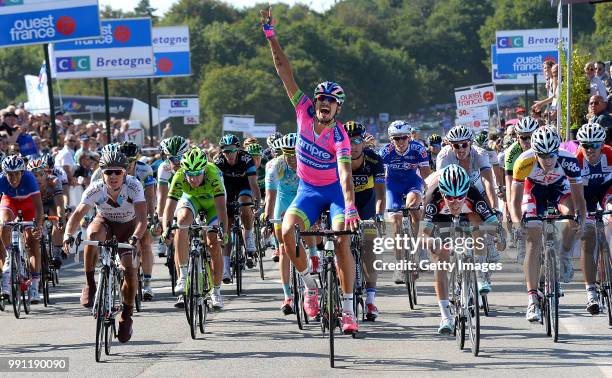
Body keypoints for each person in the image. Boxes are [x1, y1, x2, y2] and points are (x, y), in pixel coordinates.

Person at [261, 5, 361, 334]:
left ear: (338, 107)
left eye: (331, 100)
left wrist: (349, 206)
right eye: (321, 97)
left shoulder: (340, 135)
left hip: (333, 194)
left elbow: (346, 175)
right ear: (315, 102)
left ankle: (348, 310)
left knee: (342, 240)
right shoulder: (302, 111)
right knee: (286, 233)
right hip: (306, 192)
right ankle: (310, 287)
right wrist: (271, 35)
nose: (324, 102)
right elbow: (283, 70)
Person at [63, 150, 146, 343]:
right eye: (109, 172)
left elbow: (142, 220)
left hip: (129, 227)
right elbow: (77, 215)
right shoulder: (95, 188)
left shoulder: (134, 186)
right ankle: (91, 285)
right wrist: (68, 235)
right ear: (102, 174)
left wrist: (135, 238)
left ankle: (126, 315)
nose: (114, 176)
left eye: (118, 172)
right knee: (92, 234)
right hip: (105, 223)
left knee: (130, 270)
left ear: (125, 172)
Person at [510, 127, 586, 322]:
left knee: (570, 216)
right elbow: (514, 201)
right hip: (534, 191)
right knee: (533, 240)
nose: (549, 160)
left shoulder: (568, 159)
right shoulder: (524, 161)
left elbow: (579, 198)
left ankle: (564, 255)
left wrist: (580, 221)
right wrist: (518, 224)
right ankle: (532, 299)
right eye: (543, 156)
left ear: (557, 151)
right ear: (535, 153)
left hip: (559, 189)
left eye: (552, 155)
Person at [422, 164, 498, 334]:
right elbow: (424, 234)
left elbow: (492, 223)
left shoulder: (472, 192)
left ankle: (479, 274)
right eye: (449, 197)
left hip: (468, 214)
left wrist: (492, 237)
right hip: (441, 218)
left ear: (466, 191)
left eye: (459, 197)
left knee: (478, 224)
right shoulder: (433, 199)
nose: (455, 202)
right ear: (442, 193)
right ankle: (445, 316)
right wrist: (432, 243)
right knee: (440, 260)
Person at [162, 147, 228, 309]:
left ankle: (216, 291)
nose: (193, 179)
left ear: (204, 170)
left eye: (197, 174)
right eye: (189, 175)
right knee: (181, 222)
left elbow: (221, 208)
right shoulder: (179, 176)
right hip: (192, 200)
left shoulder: (213, 175)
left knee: (213, 242)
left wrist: (224, 232)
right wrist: (166, 229)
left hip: (213, 203)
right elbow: (169, 208)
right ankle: (183, 276)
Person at [380, 120, 430, 285]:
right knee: (395, 220)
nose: (400, 142)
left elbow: (425, 175)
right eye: (396, 138)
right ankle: (399, 264)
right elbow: (379, 179)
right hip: (393, 186)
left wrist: (427, 194)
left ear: (409, 137)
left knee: (413, 207)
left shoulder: (419, 149)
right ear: (391, 140)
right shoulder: (385, 152)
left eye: (403, 138)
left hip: (412, 183)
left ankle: (420, 247)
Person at [344, 121, 386, 320]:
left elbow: (380, 192)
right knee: (339, 245)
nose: (353, 146)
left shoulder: (374, 160)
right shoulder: (337, 159)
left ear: (363, 142)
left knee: (370, 247)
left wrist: (378, 215)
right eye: (348, 141)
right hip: (345, 206)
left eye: (357, 141)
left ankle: (370, 301)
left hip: (367, 205)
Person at [574, 123, 612, 315]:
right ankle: (591, 293)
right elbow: (573, 192)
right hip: (585, 197)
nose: (590, 149)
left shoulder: (611, 154)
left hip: (608, 192)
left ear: (602, 144)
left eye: (595, 145)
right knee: (588, 240)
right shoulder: (576, 160)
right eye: (585, 145)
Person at [262, 133, 301, 315]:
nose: (292, 159)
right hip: (283, 201)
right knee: (284, 248)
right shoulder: (275, 165)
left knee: (310, 233)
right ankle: (287, 296)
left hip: (301, 200)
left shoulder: (307, 162)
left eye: (295, 154)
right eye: (287, 154)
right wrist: (267, 219)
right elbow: (270, 196)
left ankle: (315, 257)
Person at [0, 156, 44, 303]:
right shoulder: (1, 180)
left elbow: (39, 208)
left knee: (32, 243)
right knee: (3, 223)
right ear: (5, 173)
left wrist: (38, 226)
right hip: (10, 202)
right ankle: (9, 257)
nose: (13, 178)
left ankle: (34, 285)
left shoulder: (30, 179)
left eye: (16, 174)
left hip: (28, 205)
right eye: (10, 174)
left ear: (22, 173)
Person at [215, 134, 261, 275]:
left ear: (238, 149)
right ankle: (226, 266)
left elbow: (253, 184)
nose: (229, 154)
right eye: (225, 150)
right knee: (227, 227)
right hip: (226, 188)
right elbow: (216, 187)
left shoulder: (246, 159)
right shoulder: (218, 162)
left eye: (232, 150)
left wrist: (257, 202)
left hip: (244, 185)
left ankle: (248, 235)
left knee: (244, 205)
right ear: (221, 151)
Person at [27, 157, 65, 269]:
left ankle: (56, 255)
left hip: (51, 202)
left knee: (58, 221)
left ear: (46, 174)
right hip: (35, 205)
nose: (37, 178)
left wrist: (60, 217)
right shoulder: (27, 184)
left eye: (40, 174)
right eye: (34, 175)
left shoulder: (54, 181)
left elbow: (59, 204)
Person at [157, 136, 190, 257]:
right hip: (173, 196)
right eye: (172, 158)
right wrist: (161, 220)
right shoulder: (164, 168)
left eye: (179, 158)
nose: (176, 162)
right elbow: (161, 197)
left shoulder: (192, 164)